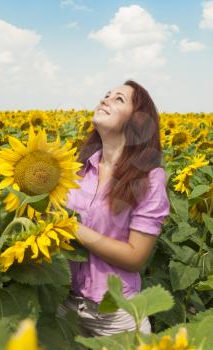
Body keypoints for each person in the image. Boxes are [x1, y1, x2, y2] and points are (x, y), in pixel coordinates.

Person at [57, 79, 170, 337]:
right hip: (65, 305)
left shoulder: (148, 178)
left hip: (115, 317)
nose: (105, 99)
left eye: (118, 99)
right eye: (106, 95)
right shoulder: (75, 168)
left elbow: (135, 257)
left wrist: (71, 228)